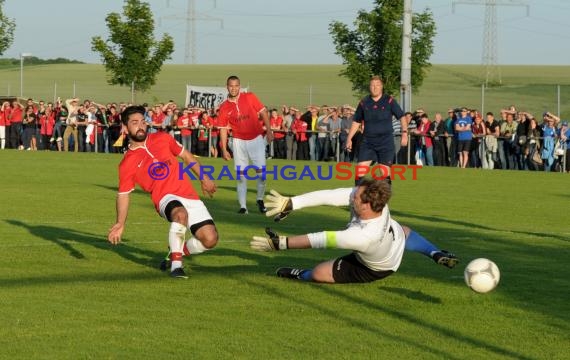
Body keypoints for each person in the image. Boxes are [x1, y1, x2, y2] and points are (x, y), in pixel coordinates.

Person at [250, 179, 459, 284]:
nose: (351, 197)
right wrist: (292, 203)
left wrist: (280, 244)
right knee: (402, 230)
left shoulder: (361, 236)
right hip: (393, 238)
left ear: (366, 205)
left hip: (376, 267)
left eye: (355, 198)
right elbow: (329, 195)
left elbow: (320, 239)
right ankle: (435, 252)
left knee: (318, 273)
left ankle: (299, 275)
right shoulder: (377, 203)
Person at [107, 105, 219, 279]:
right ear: (125, 127)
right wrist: (120, 223)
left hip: (189, 194)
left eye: (143, 121)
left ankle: (177, 250)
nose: (140, 126)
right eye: (135, 123)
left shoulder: (163, 138)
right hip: (164, 198)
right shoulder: (127, 163)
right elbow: (123, 194)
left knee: (210, 239)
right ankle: (176, 267)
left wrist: (204, 178)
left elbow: (186, 156)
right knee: (180, 214)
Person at [217, 75, 274, 214]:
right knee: (241, 176)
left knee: (261, 174)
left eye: (236, 86)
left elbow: (263, 112)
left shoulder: (249, 97)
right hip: (238, 142)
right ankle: (243, 207)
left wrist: (269, 131)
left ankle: (260, 199)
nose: (234, 88)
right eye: (231, 86)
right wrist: (224, 149)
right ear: (227, 87)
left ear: (240, 86)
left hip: (256, 140)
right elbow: (223, 129)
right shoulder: (224, 107)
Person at [345, 76, 408, 185]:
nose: (375, 88)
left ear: (381, 87)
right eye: (372, 85)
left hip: (385, 143)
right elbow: (356, 122)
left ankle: (384, 202)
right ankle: (359, 200)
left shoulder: (389, 101)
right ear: (369, 87)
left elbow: (402, 117)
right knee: (359, 174)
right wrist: (349, 138)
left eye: (377, 85)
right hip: (367, 143)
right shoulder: (363, 102)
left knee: (384, 176)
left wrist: (405, 134)